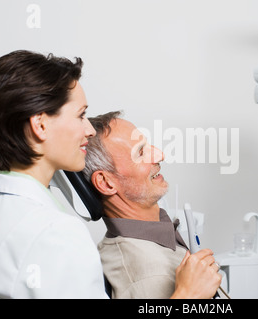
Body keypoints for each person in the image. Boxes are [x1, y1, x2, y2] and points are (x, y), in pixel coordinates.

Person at [0, 50, 221, 299]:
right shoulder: (57, 233)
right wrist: (187, 295)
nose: (88, 129)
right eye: (80, 115)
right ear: (40, 125)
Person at [82, 111, 222, 299]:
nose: (160, 155)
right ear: (106, 183)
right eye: (141, 152)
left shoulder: (149, 244)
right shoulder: (149, 275)